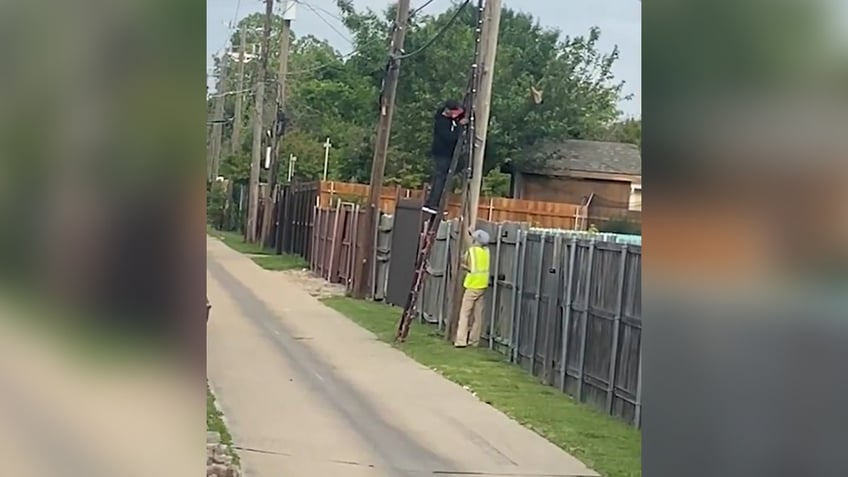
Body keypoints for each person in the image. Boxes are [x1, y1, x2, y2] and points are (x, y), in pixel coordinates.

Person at [423, 100, 467, 215]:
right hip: (442, 153)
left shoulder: (451, 119)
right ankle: (433, 203)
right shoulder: (442, 123)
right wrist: (459, 127)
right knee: (440, 177)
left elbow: (461, 113)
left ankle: (436, 202)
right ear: (448, 111)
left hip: (448, 154)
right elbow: (449, 138)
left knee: (445, 176)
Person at [455, 229, 491, 348]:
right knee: (478, 315)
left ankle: (461, 340)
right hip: (483, 285)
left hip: (472, 285)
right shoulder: (486, 252)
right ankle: (474, 340)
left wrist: (463, 266)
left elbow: (467, 264)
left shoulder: (471, 252)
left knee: (465, 313)